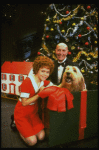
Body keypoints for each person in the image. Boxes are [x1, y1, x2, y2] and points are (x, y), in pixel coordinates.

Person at [14, 56, 65, 147]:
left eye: (47, 72)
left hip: (33, 113)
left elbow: (57, 86)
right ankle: (17, 125)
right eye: (42, 71)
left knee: (41, 137)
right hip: (22, 113)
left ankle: (27, 130)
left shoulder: (43, 81)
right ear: (37, 69)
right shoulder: (27, 82)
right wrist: (39, 94)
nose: (45, 74)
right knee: (32, 141)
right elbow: (24, 103)